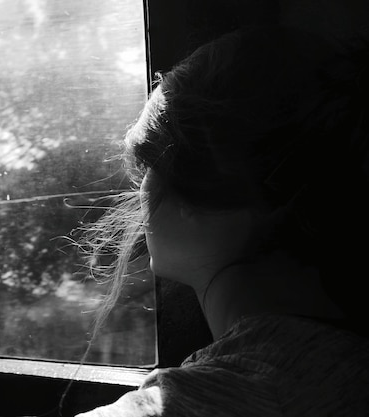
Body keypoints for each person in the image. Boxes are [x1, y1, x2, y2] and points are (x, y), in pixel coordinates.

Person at [75, 25, 369, 416]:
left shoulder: (202, 402)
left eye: (150, 165)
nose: (140, 193)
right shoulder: (345, 362)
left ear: (208, 176)